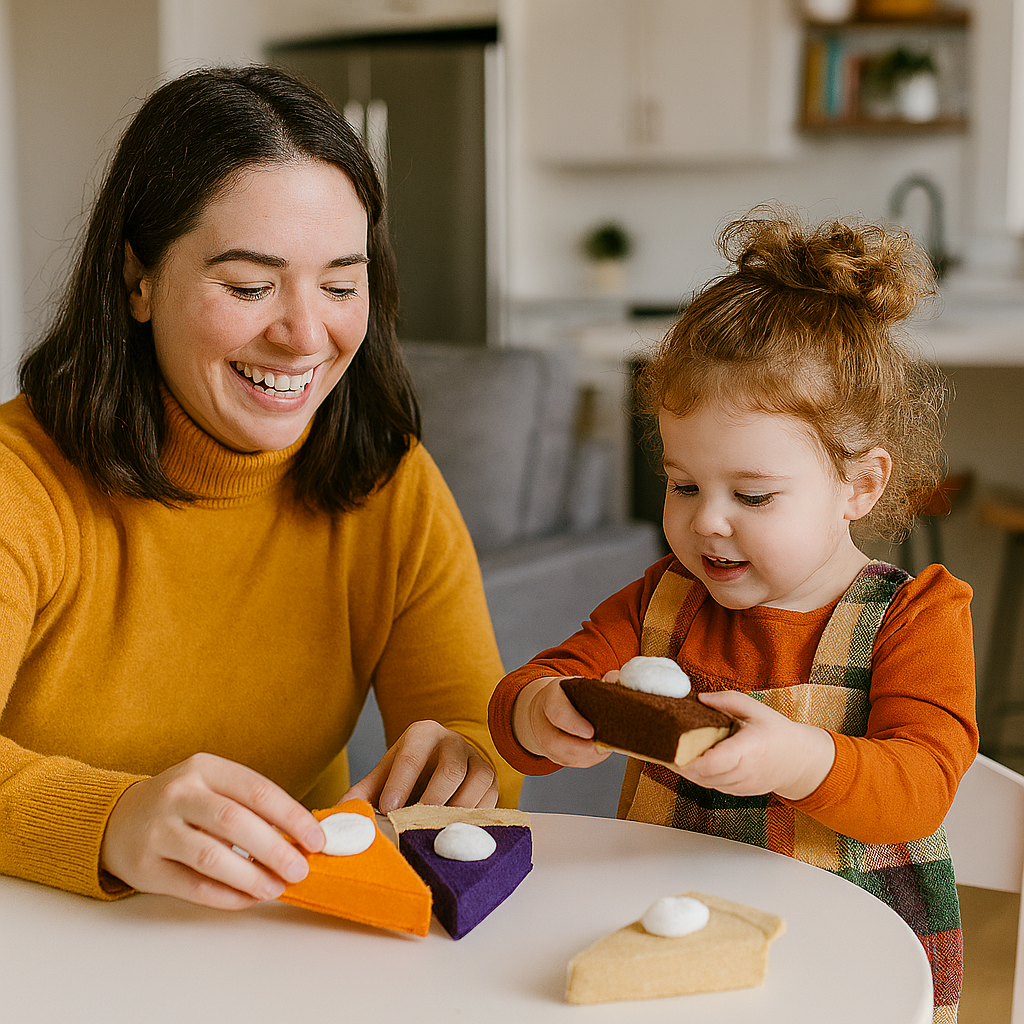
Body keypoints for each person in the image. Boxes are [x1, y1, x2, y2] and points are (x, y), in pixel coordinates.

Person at [0, 65, 520, 912]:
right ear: (138, 279)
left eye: (341, 285)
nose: (305, 334)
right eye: (248, 286)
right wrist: (112, 818)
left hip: (280, 950)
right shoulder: (20, 482)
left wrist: (467, 765)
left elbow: (472, 735)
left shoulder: (388, 480)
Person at [488, 207, 977, 1022]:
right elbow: (529, 693)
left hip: (850, 974)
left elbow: (920, 788)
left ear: (859, 486)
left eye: (751, 495)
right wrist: (542, 715)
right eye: (684, 485)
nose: (707, 521)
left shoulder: (912, 616)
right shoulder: (661, 603)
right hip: (670, 955)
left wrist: (801, 764)